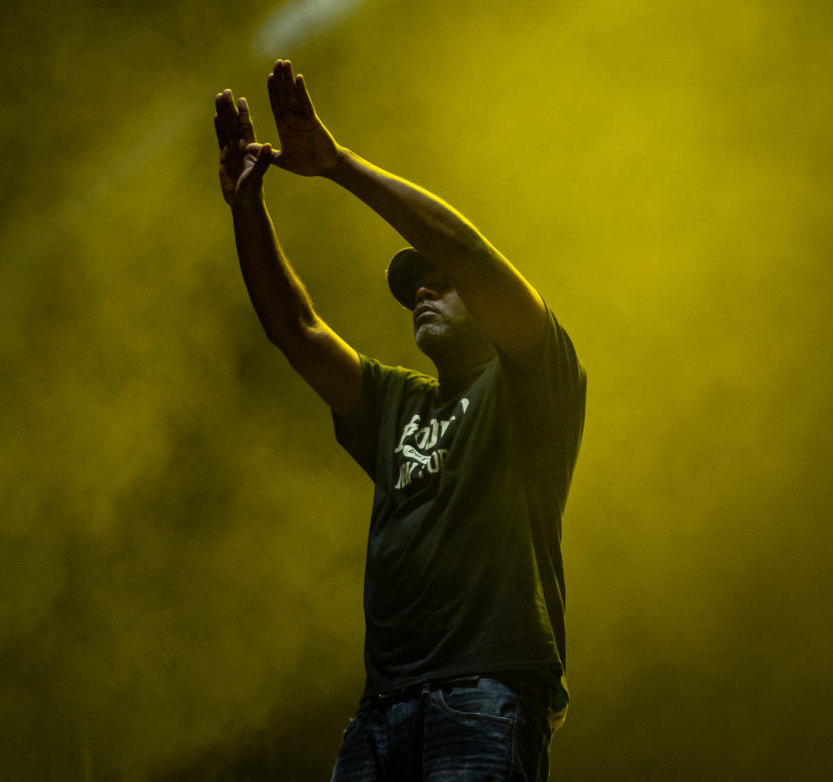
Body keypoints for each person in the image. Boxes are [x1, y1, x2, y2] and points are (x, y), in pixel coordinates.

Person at [214, 59, 586, 782]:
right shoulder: (396, 401)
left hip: (484, 691)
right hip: (380, 709)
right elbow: (296, 330)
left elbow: (467, 250)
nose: (422, 291)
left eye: (440, 283)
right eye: (416, 286)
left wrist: (337, 165)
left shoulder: (533, 378)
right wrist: (246, 208)